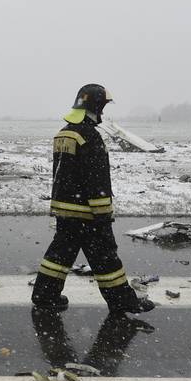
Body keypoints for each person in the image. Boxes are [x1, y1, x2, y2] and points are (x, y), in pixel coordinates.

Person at [31, 84, 155, 314]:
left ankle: (44, 295)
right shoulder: (90, 137)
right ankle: (122, 302)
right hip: (87, 212)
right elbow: (97, 180)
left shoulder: (64, 133)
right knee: (106, 258)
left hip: (65, 210)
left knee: (59, 256)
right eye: (103, 107)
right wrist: (104, 213)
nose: (103, 113)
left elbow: (62, 174)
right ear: (96, 106)